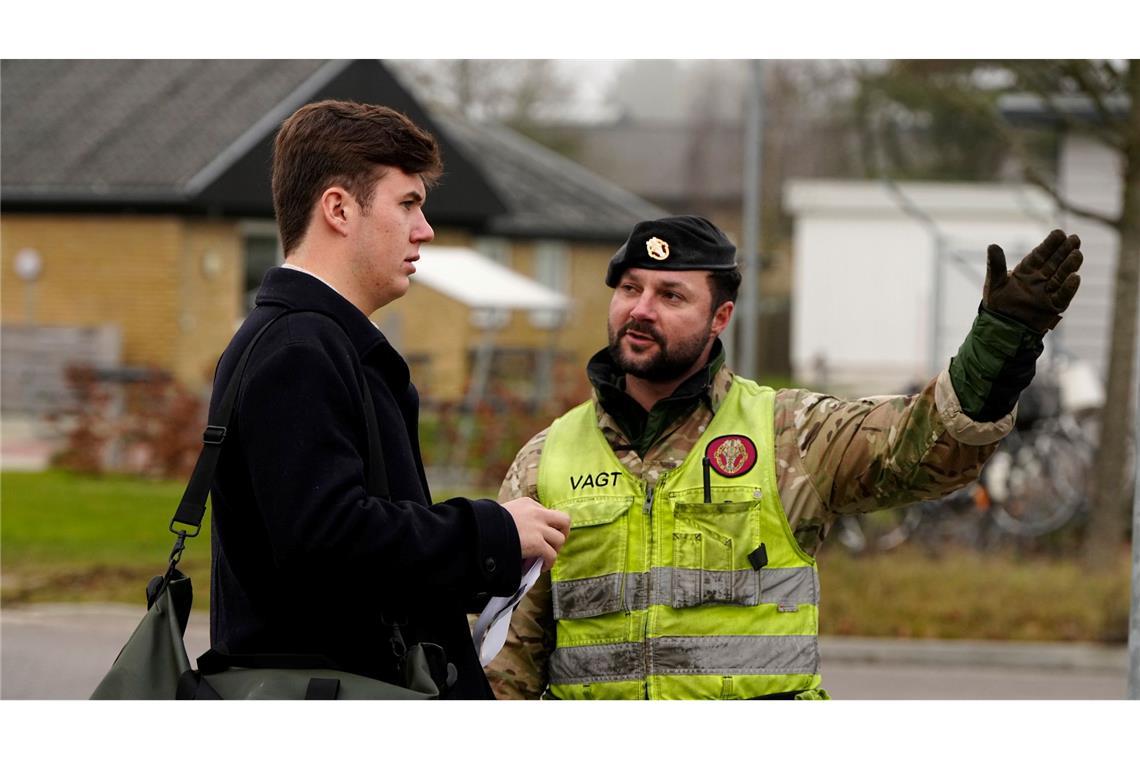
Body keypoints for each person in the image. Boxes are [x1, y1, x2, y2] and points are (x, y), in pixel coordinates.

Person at [485, 215, 1082, 700]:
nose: (641, 308)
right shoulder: (547, 459)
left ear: (721, 317)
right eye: (630, 288)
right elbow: (504, 658)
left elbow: (920, 446)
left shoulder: (789, 432)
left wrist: (999, 340)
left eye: (671, 295)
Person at [208, 99, 570, 699]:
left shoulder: (315, 342)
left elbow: (358, 550)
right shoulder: (300, 348)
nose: (424, 229)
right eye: (407, 203)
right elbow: (327, 542)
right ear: (339, 209)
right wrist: (492, 533)